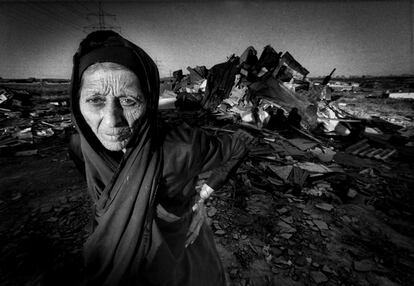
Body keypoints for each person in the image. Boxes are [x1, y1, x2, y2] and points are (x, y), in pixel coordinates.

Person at [69, 30, 249, 286]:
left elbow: (241, 143)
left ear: (150, 100)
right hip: (109, 247)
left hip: (174, 248)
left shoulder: (181, 146)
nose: (112, 121)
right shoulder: (81, 147)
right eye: (95, 100)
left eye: (129, 101)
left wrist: (203, 195)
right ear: (76, 104)